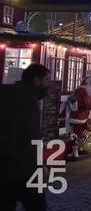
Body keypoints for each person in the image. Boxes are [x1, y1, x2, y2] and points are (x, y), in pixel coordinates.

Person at [1, 64, 51, 211]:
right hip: (24, 170)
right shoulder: (29, 102)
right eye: (47, 79)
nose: (49, 84)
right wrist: (39, 166)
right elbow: (29, 137)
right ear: (36, 80)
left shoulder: (6, 93)